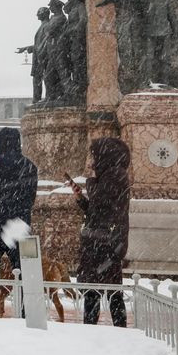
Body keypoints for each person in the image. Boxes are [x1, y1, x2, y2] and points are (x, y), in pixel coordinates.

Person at [67, 137, 131, 327]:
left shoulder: (115, 175)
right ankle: (93, 328)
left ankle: (117, 330)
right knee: (94, 291)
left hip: (107, 245)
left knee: (109, 292)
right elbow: (97, 211)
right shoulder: (107, 176)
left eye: (94, 155)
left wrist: (89, 182)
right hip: (99, 242)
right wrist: (80, 198)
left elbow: (102, 203)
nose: (92, 160)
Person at [0, 127, 38, 319]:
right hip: (20, 225)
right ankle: (29, 313)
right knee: (26, 270)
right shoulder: (30, 166)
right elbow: (30, 199)